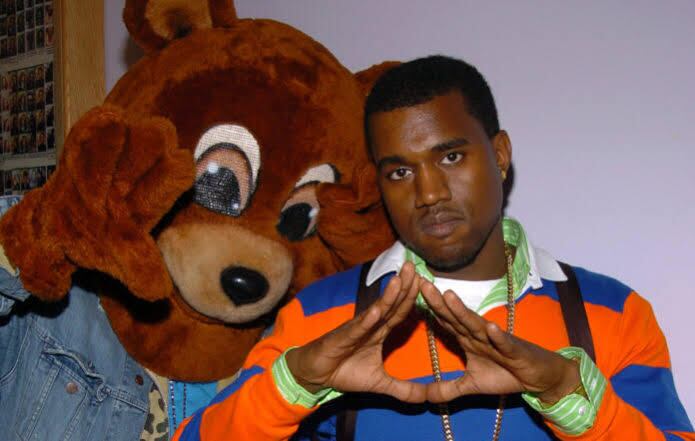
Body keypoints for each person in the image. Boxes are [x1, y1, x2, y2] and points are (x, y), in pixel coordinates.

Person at [173, 55, 694, 440]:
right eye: (400, 171)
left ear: (500, 155)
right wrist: (291, 387)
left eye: (450, 157)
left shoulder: (612, 314)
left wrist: (570, 398)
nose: (428, 194)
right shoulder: (320, 317)